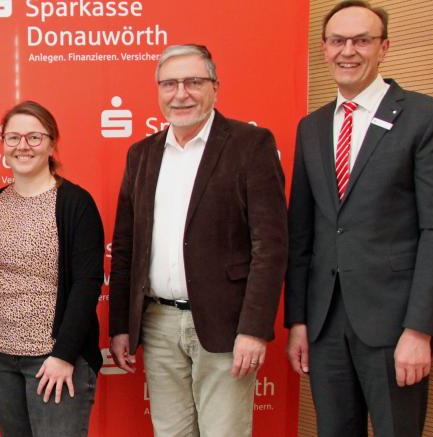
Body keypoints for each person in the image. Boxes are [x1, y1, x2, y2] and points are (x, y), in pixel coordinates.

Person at [285, 2, 433, 436]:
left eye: (361, 40)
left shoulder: (428, 117)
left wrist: (419, 329)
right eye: (337, 41)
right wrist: (299, 322)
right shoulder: (311, 127)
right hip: (324, 325)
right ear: (324, 48)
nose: (348, 51)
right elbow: (302, 233)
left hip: (394, 326)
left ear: (383, 48)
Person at [107, 44, 288, 436]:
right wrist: (121, 325)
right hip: (158, 323)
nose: (181, 94)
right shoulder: (142, 154)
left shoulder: (250, 145)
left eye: (193, 82)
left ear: (215, 88)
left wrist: (254, 329)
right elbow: (126, 247)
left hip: (226, 326)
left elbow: (271, 247)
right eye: (169, 84)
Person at [0, 101, 103, 436]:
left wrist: (64, 355)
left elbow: (87, 284)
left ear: (52, 144)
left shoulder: (75, 204)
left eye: (34, 137)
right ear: (3, 144)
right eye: (13, 138)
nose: (23, 146)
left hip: (54, 360)